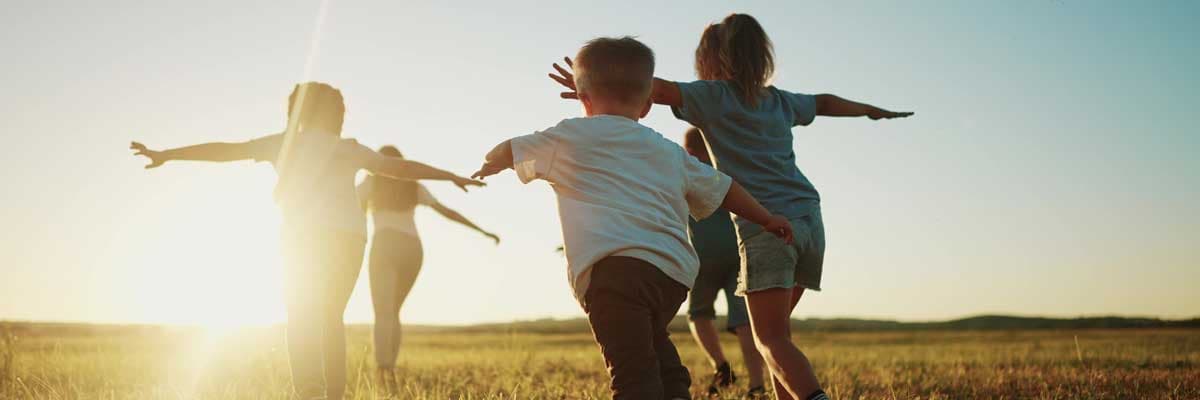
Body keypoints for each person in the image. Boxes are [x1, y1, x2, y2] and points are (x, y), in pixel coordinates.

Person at [549, 14, 913, 400]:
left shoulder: (713, 96)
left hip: (766, 227)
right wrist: (871, 109)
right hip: (809, 219)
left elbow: (642, 86)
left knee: (769, 339)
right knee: (779, 337)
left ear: (710, 58)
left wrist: (593, 86)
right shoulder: (779, 101)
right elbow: (823, 102)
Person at [475, 37, 793, 400]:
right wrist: (766, 218)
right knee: (654, 350)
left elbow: (509, 149)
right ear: (646, 106)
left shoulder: (569, 137)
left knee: (632, 374)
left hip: (614, 273)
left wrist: (490, 163)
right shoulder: (668, 150)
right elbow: (724, 188)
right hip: (671, 275)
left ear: (583, 98)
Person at [129, 82, 483, 400]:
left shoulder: (282, 144)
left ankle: (310, 393)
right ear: (337, 115)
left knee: (301, 314)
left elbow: (226, 151)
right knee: (331, 318)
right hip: (349, 239)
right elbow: (399, 169)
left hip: (304, 238)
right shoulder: (348, 148)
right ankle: (334, 395)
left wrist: (167, 154)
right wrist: (449, 175)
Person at [358, 145, 500, 390]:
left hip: (385, 244)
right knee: (393, 312)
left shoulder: (370, 183)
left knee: (383, 313)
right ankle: (389, 370)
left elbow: (350, 209)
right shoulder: (413, 186)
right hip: (412, 249)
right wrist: (483, 231)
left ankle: (383, 371)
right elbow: (448, 212)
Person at [682, 127, 768, 398]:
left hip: (703, 258)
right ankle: (757, 385)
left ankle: (721, 366)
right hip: (739, 254)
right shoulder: (730, 169)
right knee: (745, 321)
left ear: (689, 151)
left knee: (698, 314)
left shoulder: (687, 173)